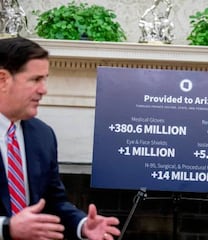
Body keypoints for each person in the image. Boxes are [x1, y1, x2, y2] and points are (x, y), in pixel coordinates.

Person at [0, 37, 121, 240]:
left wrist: (83, 225)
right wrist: (6, 228)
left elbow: (54, 203)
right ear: (3, 79)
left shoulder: (43, 136)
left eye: (45, 79)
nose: (43, 89)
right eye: (35, 79)